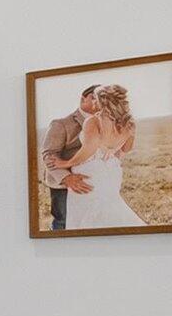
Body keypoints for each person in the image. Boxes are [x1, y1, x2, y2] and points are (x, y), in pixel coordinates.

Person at [47, 83, 141, 230]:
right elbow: (126, 148)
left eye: (95, 98)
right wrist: (110, 152)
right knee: (109, 210)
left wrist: (66, 163)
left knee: (88, 216)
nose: (93, 102)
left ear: (100, 101)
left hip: (91, 173)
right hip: (111, 172)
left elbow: (89, 149)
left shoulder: (93, 121)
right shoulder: (129, 123)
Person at [38, 86, 99, 230]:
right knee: (64, 223)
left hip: (94, 182)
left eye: (103, 98)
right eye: (94, 97)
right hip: (65, 186)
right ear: (83, 99)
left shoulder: (105, 122)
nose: (98, 101)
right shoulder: (61, 124)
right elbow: (49, 154)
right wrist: (66, 178)